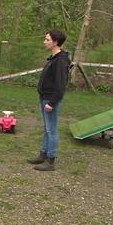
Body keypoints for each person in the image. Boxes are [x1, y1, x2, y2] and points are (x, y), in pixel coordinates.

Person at [27, 29, 70, 171]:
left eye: (47, 39)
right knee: (46, 128)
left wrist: (52, 102)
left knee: (52, 130)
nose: (44, 42)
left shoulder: (61, 60)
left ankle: (51, 160)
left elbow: (61, 84)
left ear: (56, 42)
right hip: (44, 97)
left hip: (50, 99)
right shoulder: (53, 58)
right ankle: (43, 155)